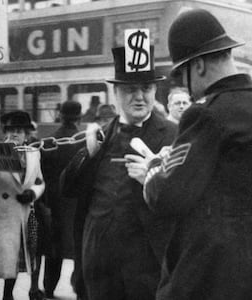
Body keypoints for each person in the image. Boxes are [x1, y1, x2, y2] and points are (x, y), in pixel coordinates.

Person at [136, 8, 252, 300]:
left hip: (216, 274)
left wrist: (153, 166)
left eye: (183, 75)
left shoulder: (206, 115)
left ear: (199, 65)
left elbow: (167, 197)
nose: (186, 89)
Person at [60, 46, 177, 300]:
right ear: (115, 93)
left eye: (146, 88)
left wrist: (153, 177)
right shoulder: (100, 135)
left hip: (148, 271)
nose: (139, 97)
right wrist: (87, 154)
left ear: (155, 91)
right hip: (98, 269)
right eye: (129, 89)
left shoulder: (173, 135)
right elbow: (66, 189)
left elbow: (183, 200)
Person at [0, 110, 45, 300]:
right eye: (10, 130)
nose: (15, 134)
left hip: (22, 215)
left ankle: (7, 294)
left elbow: (40, 181)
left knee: (15, 262)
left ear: (27, 134)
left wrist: (32, 193)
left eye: (20, 130)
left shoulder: (33, 154)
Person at [41, 101, 83, 300]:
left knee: (54, 248)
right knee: (78, 245)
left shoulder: (51, 140)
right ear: (80, 117)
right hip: (78, 201)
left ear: (60, 115)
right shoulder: (82, 140)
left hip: (56, 201)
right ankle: (79, 289)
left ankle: (49, 289)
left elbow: (43, 172)